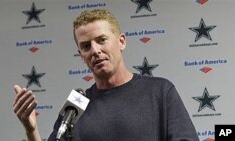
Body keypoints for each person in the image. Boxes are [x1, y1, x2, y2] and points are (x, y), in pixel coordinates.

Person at [13, 9, 199, 141]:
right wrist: (31, 130)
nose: (95, 50)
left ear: (121, 42)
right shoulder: (76, 104)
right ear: (81, 55)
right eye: (86, 46)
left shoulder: (160, 91)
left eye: (102, 40)